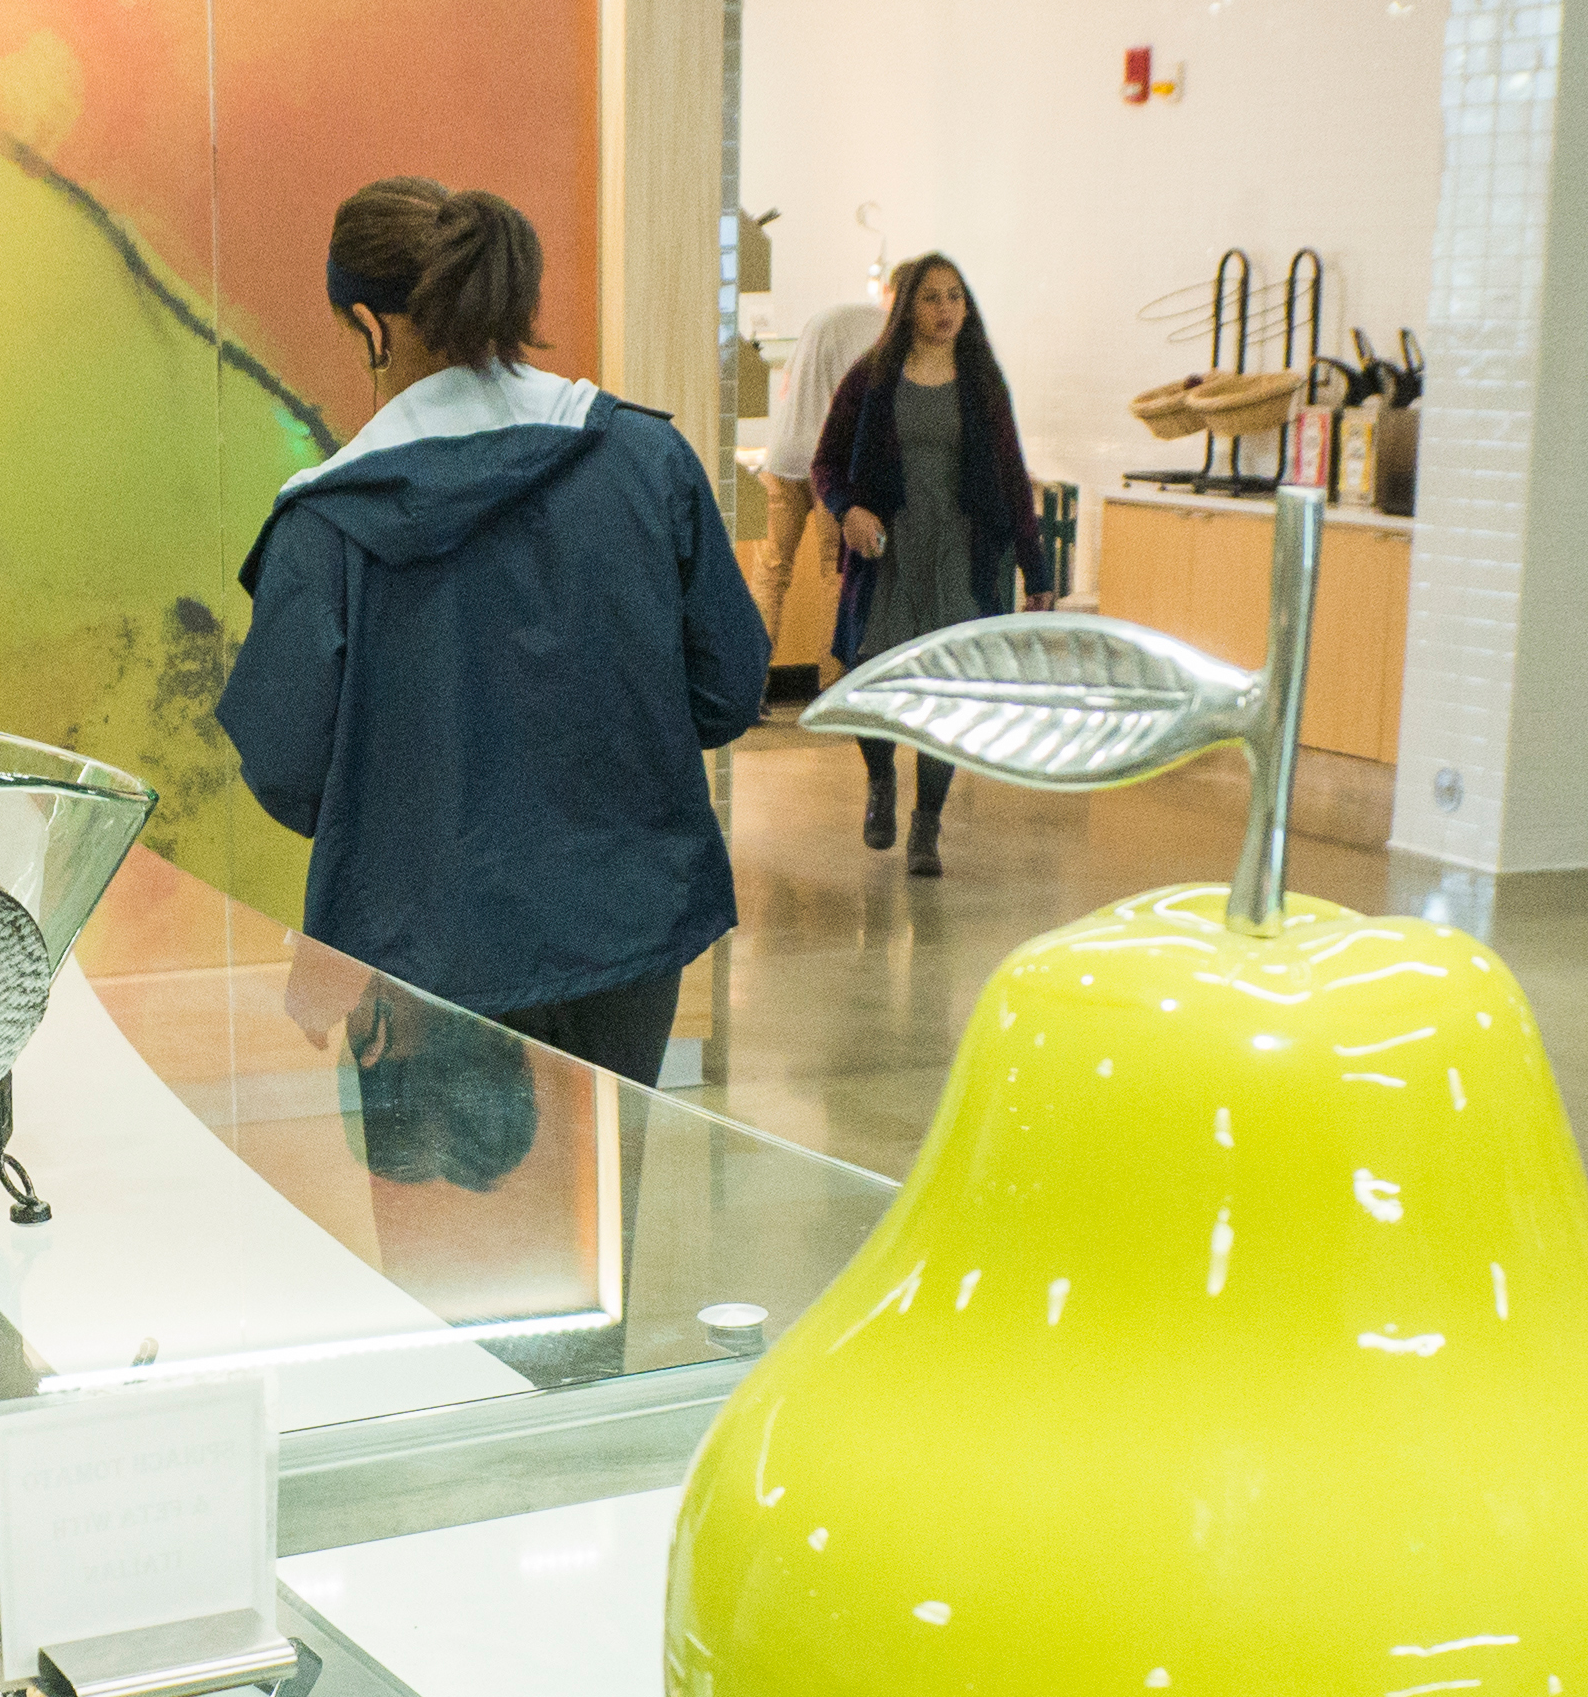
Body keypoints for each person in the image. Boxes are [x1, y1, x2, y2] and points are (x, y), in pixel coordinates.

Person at [219, 175, 769, 1089]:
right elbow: (728, 687)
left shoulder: (328, 523)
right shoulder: (647, 459)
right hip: (627, 937)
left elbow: (287, 769)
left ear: (372, 327)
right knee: (598, 1214)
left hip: (420, 956)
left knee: (445, 1227)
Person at [813, 253, 1054, 870]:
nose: (945, 309)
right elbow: (827, 463)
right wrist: (848, 511)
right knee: (873, 682)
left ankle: (927, 825)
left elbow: (1010, 476)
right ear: (907, 307)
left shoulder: (981, 382)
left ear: (966, 306)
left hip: (960, 553)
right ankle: (880, 781)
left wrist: (1037, 569)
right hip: (886, 551)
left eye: (954, 297)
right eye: (931, 298)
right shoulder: (872, 376)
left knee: (945, 688)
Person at [754, 281, 889, 642]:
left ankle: (752, 686)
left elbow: (786, 386)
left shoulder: (823, 320)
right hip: (830, 463)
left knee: (771, 575)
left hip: (782, 454)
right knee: (835, 574)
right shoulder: (881, 331)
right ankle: (830, 688)